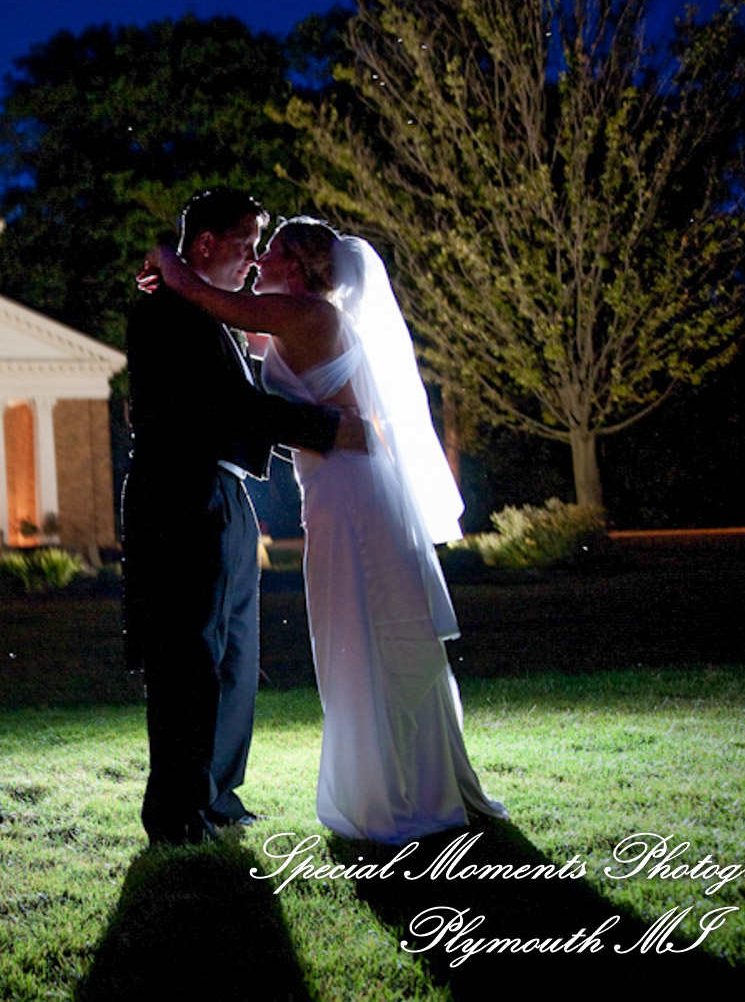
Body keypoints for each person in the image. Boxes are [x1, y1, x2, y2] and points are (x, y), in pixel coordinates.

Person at [145, 217, 507, 843]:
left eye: (272, 251)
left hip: (349, 493)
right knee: (357, 632)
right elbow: (236, 350)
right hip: (336, 487)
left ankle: (393, 792)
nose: (259, 262)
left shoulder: (308, 315)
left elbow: (216, 304)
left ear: (301, 265)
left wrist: (162, 259)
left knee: (362, 633)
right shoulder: (298, 319)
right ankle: (406, 778)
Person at [123, 189, 359, 846]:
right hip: (179, 502)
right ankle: (174, 814)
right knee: (187, 659)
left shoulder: (208, 313)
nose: (255, 259)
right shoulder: (164, 314)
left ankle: (218, 794)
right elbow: (239, 406)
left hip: (224, 500)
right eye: (245, 243)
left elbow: (247, 398)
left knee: (233, 651)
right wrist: (333, 428)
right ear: (204, 245)